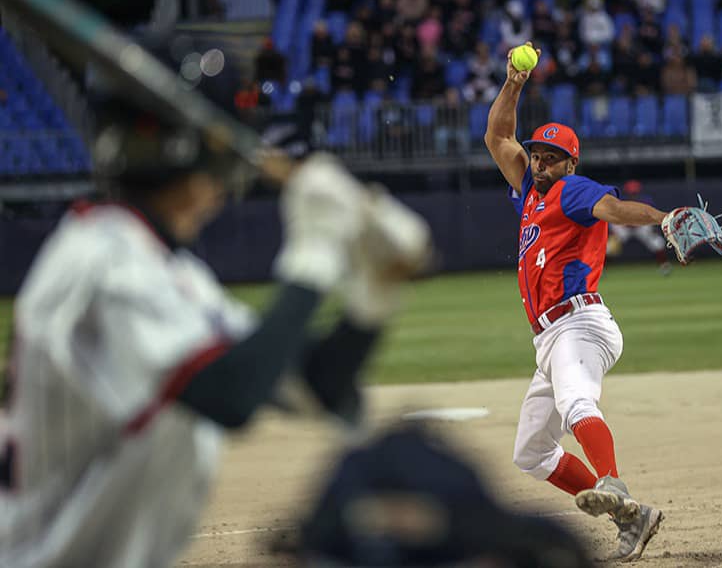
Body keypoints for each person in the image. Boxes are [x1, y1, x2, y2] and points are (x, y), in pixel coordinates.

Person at [0, 44, 430, 567]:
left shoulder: (164, 271)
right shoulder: (105, 262)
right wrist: (314, 256)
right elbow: (231, 396)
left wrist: (371, 296)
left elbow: (314, 382)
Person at [484, 42, 670, 562]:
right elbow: (497, 136)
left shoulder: (572, 190)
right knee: (532, 453)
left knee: (576, 404)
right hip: (549, 336)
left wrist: (662, 219)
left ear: (570, 162)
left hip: (579, 323)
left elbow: (614, 207)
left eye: (550, 157)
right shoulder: (529, 191)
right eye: (537, 155)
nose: (540, 163)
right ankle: (630, 517)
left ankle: (614, 483)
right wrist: (514, 83)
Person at [607, 180, 673, 275]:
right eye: (631, 193)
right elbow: (614, 217)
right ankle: (603, 269)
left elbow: (652, 216)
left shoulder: (646, 201)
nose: (633, 195)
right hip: (624, 226)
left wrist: (653, 230)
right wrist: (614, 232)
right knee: (609, 247)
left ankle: (664, 266)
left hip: (641, 226)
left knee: (658, 243)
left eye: (634, 192)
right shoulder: (621, 201)